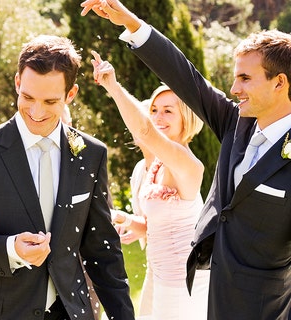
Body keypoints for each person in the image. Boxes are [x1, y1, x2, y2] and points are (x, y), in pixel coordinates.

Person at [81, 1, 291, 318]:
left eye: (246, 78)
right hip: (205, 291)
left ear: (280, 82)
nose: (234, 89)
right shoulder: (236, 124)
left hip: (265, 307)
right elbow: (185, 77)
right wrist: (133, 24)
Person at [0, 34, 135, 320]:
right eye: (27, 97)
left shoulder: (92, 154)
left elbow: (103, 251)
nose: (36, 112)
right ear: (18, 82)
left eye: (50, 101)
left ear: (71, 94)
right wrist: (9, 249)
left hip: (71, 311)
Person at [91, 51, 209, 319]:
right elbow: (153, 226)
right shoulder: (155, 165)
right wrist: (123, 218)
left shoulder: (188, 164)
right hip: (156, 272)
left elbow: (144, 130)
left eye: (168, 111)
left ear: (187, 118)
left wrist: (113, 86)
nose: (158, 117)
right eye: (154, 110)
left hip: (183, 280)